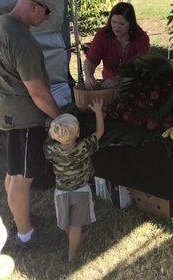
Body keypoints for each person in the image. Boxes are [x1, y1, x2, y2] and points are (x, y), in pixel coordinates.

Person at [0, 0, 62, 247]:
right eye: (46, 11)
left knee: (14, 170)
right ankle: (26, 235)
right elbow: (38, 94)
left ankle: (20, 220)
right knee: (23, 177)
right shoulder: (23, 41)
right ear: (33, 5)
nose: (47, 17)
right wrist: (59, 116)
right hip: (23, 118)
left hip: (2, 109)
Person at [43, 99, 104, 261]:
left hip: (60, 191)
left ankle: (73, 240)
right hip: (80, 191)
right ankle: (72, 254)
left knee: (68, 223)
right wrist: (98, 112)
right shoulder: (83, 146)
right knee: (76, 226)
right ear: (78, 133)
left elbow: (48, 142)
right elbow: (100, 133)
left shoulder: (50, 149)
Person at [84, 2, 150, 89]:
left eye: (122, 24)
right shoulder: (103, 35)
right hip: (109, 86)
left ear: (131, 24)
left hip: (135, 86)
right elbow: (91, 61)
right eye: (113, 22)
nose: (116, 27)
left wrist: (119, 79)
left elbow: (141, 68)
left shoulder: (141, 39)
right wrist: (89, 76)